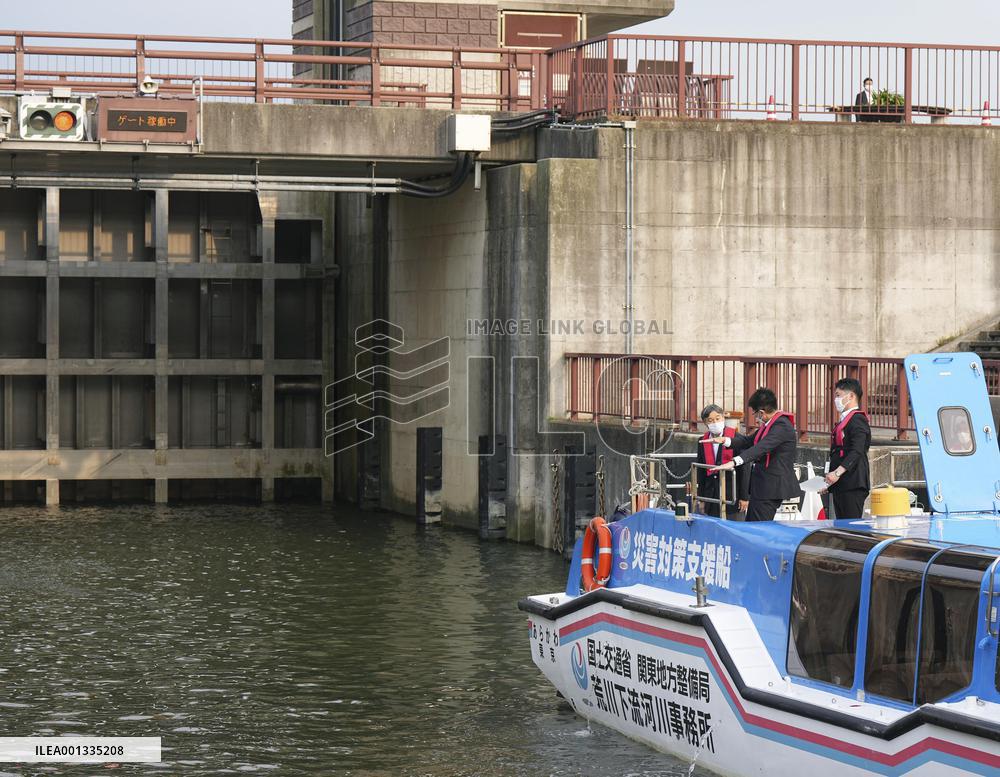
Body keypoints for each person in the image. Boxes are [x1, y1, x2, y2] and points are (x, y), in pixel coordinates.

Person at [710, 388, 799, 522]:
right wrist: (725, 440)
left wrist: (734, 462)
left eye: (755, 413)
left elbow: (760, 448)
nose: (756, 417)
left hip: (771, 487)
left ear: (761, 413)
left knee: (758, 526)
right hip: (762, 485)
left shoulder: (782, 426)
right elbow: (748, 441)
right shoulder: (769, 424)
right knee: (752, 523)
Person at [824, 378, 872, 519]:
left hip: (852, 483)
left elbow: (857, 451)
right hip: (841, 483)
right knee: (842, 528)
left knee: (852, 527)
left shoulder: (857, 420)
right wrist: (828, 479)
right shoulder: (844, 420)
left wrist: (837, 473)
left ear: (851, 396)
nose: (836, 399)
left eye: (838, 395)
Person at [694, 404, 748, 518]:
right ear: (705, 423)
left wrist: (744, 497)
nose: (715, 422)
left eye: (717, 418)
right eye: (710, 420)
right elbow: (701, 471)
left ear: (723, 418)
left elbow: (744, 469)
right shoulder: (703, 441)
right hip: (711, 495)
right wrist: (701, 498)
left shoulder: (736, 438)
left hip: (732, 494)